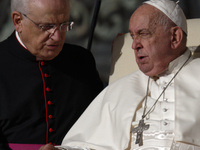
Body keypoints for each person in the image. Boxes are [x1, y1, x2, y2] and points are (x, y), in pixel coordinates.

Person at [40, 0, 200, 150]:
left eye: (143, 34)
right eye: (132, 36)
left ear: (175, 37)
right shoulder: (121, 89)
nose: (134, 45)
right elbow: (85, 145)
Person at [0, 0, 103, 149]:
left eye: (63, 25)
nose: (57, 37)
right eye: (47, 26)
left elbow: (100, 125)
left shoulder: (82, 61)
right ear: (18, 21)